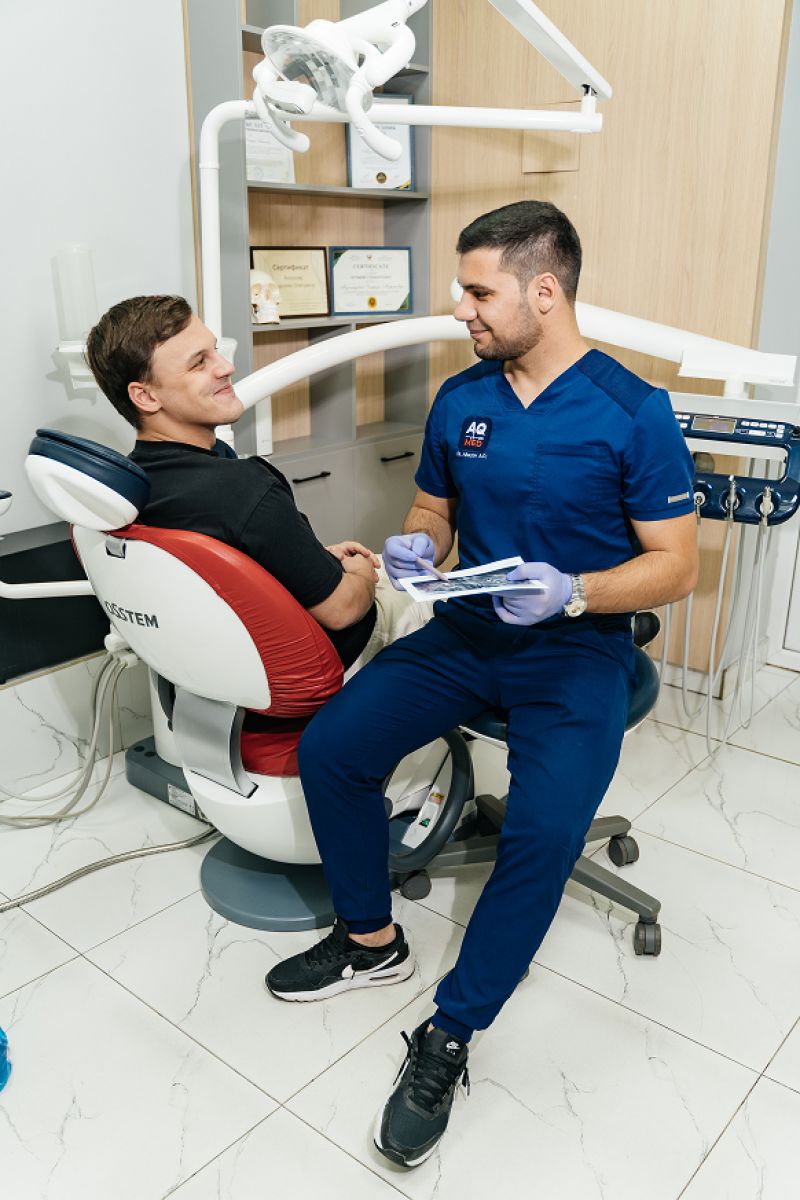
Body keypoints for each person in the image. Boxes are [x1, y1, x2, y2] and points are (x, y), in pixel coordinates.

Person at [265, 200, 699, 1168]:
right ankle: (371, 942)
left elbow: (676, 566)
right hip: (465, 632)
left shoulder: (632, 412)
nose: (459, 309)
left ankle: (450, 1033)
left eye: (476, 291)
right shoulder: (463, 398)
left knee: (542, 832)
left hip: (575, 650)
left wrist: (575, 590)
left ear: (543, 292)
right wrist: (417, 545)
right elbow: (432, 505)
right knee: (334, 749)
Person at [85, 295, 429, 677]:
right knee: (436, 603)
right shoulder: (244, 488)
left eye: (215, 351)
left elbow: (230, 574)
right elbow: (343, 610)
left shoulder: (131, 488)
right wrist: (361, 569)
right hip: (329, 659)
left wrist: (312, 562)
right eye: (199, 363)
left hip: (226, 667)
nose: (226, 366)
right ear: (146, 396)